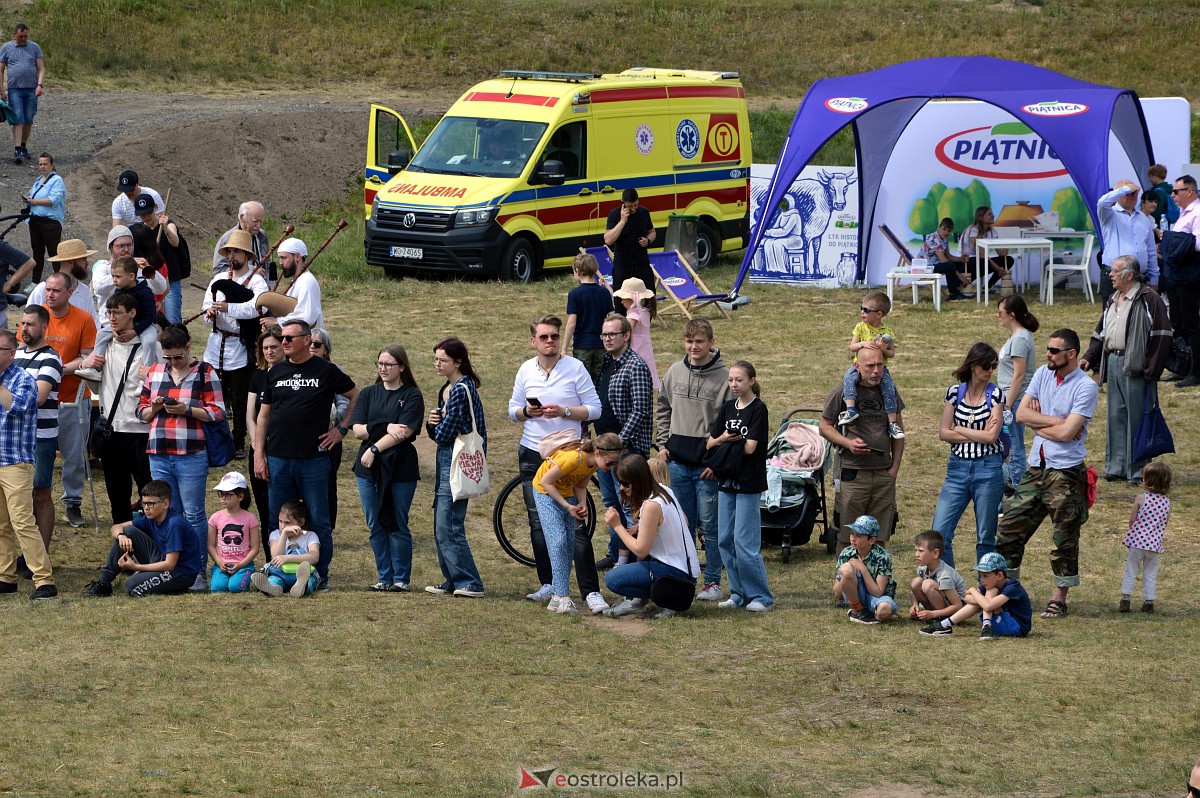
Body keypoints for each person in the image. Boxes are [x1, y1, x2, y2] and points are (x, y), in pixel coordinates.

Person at [995, 328, 1098, 620]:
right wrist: (1055, 422)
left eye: (1054, 350)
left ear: (1071, 354)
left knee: (1064, 536)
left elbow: (1068, 434)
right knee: (1009, 528)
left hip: (1065, 472)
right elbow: (1020, 415)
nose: (1048, 354)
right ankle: (1007, 588)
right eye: (1048, 349)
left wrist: (1041, 425)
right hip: (1036, 467)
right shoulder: (1042, 373)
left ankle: (1059, 597)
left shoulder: (1085, 387)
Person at [253, 320, 357, 590]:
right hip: (278, 457)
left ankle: (318, 575)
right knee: (277, 518)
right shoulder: (274, 372)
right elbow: (263, 416)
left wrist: (341, 430)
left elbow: (357, 396)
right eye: (282, 337)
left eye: (289, 337)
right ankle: (276, 571)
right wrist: (258, 453)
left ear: (306, 340)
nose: (284, 342)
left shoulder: (326, 370)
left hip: (313, 458)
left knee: (318, 518)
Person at [507, 314, 601, 605]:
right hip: (532, 451)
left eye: (555, 337)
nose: (550, 342)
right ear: (533, 341)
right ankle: (549, 583)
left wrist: (565, 412)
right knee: (538, 522)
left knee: (575, 520)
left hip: (568, 455)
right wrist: (526, 412)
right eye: (545, 337)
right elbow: (512, 409)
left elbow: (595, 409)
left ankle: (590, 591)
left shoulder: (575, 368)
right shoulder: (526, 369)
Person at [137, 324, 225, 592]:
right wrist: (152, 409)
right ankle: (170, 567)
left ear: (188, 347)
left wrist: (188, 409)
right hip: (159, 452)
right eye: (168, 357)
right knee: (165, 514)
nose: (173, 362)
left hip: (191, 452)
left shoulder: (205, 372)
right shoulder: (154, 372)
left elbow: (218, 412)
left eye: (178, 357)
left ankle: (197, 571)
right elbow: (139, 410)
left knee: (194, 514)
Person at [655, 318, 730, 601]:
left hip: (707, 467)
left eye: (699, 341)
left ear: (711, 342)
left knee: (710, 526)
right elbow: (663, 408)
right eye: (689, 341)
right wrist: (664, 442)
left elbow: (730, 424)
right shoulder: (674, 372)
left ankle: (712, 581)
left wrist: (717, 462)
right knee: (681, 524)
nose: (694, 346)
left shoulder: (725, 377)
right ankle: (683, 576)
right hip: (677, 462)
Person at [1080, 255, 1171, 484]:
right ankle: (1117, 466)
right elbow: (1102, 332)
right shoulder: (1113, 298)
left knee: (1138, 418)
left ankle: (1138, 469)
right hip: (1114, 362)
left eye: (1115, 270)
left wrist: (1151, 370)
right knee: (1116, 415)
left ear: (1129, 275)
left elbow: (1162, 336)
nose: (1110, 273)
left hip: (1137, 367)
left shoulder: (1149, 299)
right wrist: (1089, 358)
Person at [351, 344, 424, 593]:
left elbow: (403, 432)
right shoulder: (369, 393)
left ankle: (401, 578)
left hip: (400, 468)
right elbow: (357, 429)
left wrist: (373, 449)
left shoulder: (412, 395)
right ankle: (384, 576)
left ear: (401, 367)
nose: (383, 368)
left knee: (397, 522)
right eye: (380, 364)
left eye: (389, 364)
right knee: (375, 523)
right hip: (367, 470)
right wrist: (384, 425)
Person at [819, 342, 905, 547]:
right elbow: (824, 426)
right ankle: (847, 578)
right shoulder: (843, 389)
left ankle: (876, 578)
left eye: (880, 365)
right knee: (848, 536)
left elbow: (899, 433)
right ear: (857, 366)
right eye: (870, 366)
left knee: (879, 536)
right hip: (853, 474)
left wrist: (894, 469)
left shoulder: (888, 389)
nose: (876, 371)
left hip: (883, 473)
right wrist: (848, 443)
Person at [930, 342, 1005, 568]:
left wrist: (959, 429)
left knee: (985, 537)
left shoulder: (996, 394)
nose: (990, 370)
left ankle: (986, 592)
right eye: (986, 366)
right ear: (973, 366)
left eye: (994, 366)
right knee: (940, 533)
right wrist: (978, 433)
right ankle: (949, 588)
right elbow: (943, 433)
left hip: (988, 468)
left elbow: (992, 438)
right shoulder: (955, 393)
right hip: (958, 469)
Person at [533, 433, 625, 615]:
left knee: (567, 544)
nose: (612, 467)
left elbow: (580, 485)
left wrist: (581, 503)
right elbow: (546, 481)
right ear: (598, 453)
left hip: (565, 493)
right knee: (558, 542)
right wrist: (568, 506)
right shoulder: (573, 458)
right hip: (544, 492)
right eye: (610, 463)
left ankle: (557, 598)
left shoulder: (592, 464)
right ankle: (561, 596)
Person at [708, 360, 774, 612]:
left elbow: (750, 447)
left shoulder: (758, 409)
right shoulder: (727, 408)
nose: (734, 384)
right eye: (731, 380)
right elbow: (709, 443)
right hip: (726, 481)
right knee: (725, 540)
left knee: (744, 542)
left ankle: (760, 596)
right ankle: (737, 593)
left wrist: (722, 442)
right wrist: (725, 438)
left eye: (739, 380)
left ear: (751, 381)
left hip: (748, 482)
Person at [603, 455, 700, 619]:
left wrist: (617, 526)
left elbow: (641, 550)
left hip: (675, 573)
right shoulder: (664, 490)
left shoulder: (651, 505)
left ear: (639, 481)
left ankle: (663, 599)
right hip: (685, 569)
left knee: (612, 579)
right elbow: (685, 519)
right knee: (636, 540)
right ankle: (643, 600)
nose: (621, 488)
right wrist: (642, 526)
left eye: (626, 483)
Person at [426, 337, 487, 598]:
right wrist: (434, 423)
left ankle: (469, 581)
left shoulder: (460, 390)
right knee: (442, 523)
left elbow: (443, 435)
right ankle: (452, 578)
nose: (437, 364)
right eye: (436, 359)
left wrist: (433, 426)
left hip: (454, 459)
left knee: (449, 524)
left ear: (458, 362)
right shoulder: (449, 387)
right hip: (449, 460)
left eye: (443, 360)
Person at [90, 292, 158, 527]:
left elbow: (162, 385)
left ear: (132, 313)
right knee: (117, 497)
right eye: (109, 313)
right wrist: (87, 365)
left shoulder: (149, 346)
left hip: (141, 431)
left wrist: (150, 378)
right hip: (112, 431)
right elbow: (94, 384)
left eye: (116, 312)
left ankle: (153, 548)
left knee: (149, 495)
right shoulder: (104, 344)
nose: (112, 318)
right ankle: (123, 546)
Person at [593, 313, 653, 573]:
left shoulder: (635, 366)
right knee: (611, 505)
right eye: (604, 335)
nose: (607, 339)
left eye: (612, 334)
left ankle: (639, 559)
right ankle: (617, 554)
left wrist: (618, 444)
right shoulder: (608, 362)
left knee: (630, 508)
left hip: (626, 452)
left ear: (626, 335)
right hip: (603, 451)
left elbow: (641, 410)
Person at [0, 327, 56, 599]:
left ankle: (44, 581)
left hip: (15, 463)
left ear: (11, 353)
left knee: (23, 521)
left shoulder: (23, 380)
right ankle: (5, 576)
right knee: (0, 524)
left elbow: (17, 407)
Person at [203, 228, 269, 457]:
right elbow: (205, 306)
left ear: (247, 256)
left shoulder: (257, 281)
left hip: (240, 345)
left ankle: (239, 440)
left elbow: (256, 308)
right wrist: (209, 312)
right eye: (230, 251)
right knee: (212, 394)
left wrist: (229, 307)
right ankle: (214, 439)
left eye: (237, 252)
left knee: (240, 398)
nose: (232, 256)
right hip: (216, 343)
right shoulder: (219, 279)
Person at [81, 480, 203, 598]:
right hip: (162, 560)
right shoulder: (149, 518)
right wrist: (121, 536)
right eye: (143, 503)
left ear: (165, 504)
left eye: (151, 503)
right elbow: (116, 527)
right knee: (128, 531)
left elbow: (170, 565)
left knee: (131, 586)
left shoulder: (174, 524)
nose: (146, 508)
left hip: (180, 573)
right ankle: (103, 583)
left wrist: (135, 567)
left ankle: (175, 587)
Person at [40, 270, 95, 528]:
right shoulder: (36, 316)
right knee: (41, 454)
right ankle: (39, 501)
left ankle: (72, 502)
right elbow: (23, 350)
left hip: (73, 398)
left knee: (74, 456)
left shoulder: (83, 319)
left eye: (56, 291)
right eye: (47, 289)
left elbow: (87, 356)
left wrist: (56, 368)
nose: (49, 295)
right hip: (40, 400)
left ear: (70, 293)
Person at [15, 305, 59, 554]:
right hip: (12, 437)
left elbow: (38, 397)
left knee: (40, 493)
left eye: (30, 324)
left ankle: (38, 555)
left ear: (43, 327)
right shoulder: (14, 355)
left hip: (40, 437)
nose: (24, 328)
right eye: (22, 323)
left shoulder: (51, 358)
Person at [75, 256, 159, 381]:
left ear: (131, 276)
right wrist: (114, 329)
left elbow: (150, 317)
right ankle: (96, 369)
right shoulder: (118, 291)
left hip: (144, 324)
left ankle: (146, 377)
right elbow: (112, 312)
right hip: (122, 324)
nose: (114, 280)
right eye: (113, 276)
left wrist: (135, 331)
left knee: (150, 341)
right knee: (102, 334)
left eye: (118, 277)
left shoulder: (145, 292)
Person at [920, 552, 1032, 639]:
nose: (981, 580)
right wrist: (981, 600)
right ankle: (946, 625)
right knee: (986, 597)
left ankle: (984, 626)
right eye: (980, 576)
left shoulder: (1013, 586)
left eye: (985, 576)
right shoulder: (990, 584)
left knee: (990, 594)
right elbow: (967, 598)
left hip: (1016, 627)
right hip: (1001, 620)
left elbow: (988, 606)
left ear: (1000, 575)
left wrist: (973, 590)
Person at [839, 291, 903, 439]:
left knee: (889, 390)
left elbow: (892, 353)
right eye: (861, 308)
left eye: (866, 310)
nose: (862, 312)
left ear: (879, 314)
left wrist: (884, 349)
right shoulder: (860, 327)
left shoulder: (887, 332)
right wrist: (863, 343)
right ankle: (850, 409)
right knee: (848, 379)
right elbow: (852, 346)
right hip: (859, 366)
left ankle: (892, 423)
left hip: (879, 369)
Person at [997, 294, 1039, 492]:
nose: (998, 316)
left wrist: (1006, 404)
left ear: (1011, 315)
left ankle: (1018, 485)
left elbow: (1019, 375)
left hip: (1015, 398)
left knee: (1014, 444)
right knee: (1011, 442)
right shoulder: (1016, 337)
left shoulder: (1021, 338)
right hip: (1010, 397)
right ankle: (1014, 482)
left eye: (1001, 312)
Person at [1119, 461, 1171, 614]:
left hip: (1137, 543)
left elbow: (1132, 520)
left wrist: (1133, 533)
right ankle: (1149, 601)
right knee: (1150, 573)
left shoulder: (1141, 498)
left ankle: (1126, 599)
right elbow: (1164, 522)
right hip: (1154, 545)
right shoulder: (1167, 502)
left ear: (1147, 481)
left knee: (1131, 570)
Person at [246, 326, 282, 535]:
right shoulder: (258, 377)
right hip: (259, 448)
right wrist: (256, 442)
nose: (269, 351)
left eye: (274, 347)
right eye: (265, 347)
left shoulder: (292, 376)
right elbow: (251, 415)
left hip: (283, 447)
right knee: (263, 505)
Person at [1096, 181, 1158, 302]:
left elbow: (1150, 250)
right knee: (1112, 315)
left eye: (1135, 193)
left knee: (1138, 316)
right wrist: (1124, 189)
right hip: (1115, 274)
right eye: (1128, 193)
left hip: (1139, 275)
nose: (1132, 195)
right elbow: (1102, 202)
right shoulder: (1110, 214)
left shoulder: (1143, 218)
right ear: (1118, 195)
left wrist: (1154, 277)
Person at [130, 192, 187, 323]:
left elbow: (175, 242)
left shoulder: (167, 224)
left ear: (155, 208)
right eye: (142, 214)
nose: (146, 217)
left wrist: (165, 227)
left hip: (170, 278)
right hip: (150, 280)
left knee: (173, 319)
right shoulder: (139, 231)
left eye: (148, 212)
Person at [1166, 175, 1200, 387]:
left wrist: (1175, 241)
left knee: (1191, 324)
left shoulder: (1197, 213)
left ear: (1189, 191)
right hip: (1176, 275)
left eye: (1176, 191)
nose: (1173, 195)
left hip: (1189, 276)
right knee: (1177, 322)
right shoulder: (1182, 213)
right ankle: (1181, 365)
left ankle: (1196, 370)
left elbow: (1198, 244)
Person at [89, 226, 166, 318]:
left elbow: (161, 289)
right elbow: (98, 288)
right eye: (121, 246)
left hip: (137, 323)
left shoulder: (137, 266)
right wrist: (122, 271)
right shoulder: (103, 267)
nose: (126, 249)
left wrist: (151, 272)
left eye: (129, 245)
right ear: (110, 247)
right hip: (109, 323)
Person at [832, 515, 896, 624]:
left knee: (884, 610)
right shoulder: (846, 553)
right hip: (854, 596)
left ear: (871, 540)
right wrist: (844, 575)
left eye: (859, 535)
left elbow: (878, 593)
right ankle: (858, 610)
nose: (853, 538)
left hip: (876, 598)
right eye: (852, 533)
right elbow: (837, 593)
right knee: (846, 568)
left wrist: (863, 569)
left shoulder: (882, 557)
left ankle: (869, 612)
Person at [250, 499, 319, 598]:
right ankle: (274, 589)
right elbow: (275, 555)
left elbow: (314, 557)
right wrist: (284, 534)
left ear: (301, 522)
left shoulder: (310, 536)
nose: (282, 526)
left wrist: (288, 558)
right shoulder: (275, 534)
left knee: (309, 582)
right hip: (280, 574)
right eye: (280, 521)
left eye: (287, 522)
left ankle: (300, 588)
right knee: (273, 580)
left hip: (301, 576)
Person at [604, 188, 656, 315]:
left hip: (641, 261)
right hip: (623, 263)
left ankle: (644, 322)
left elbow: (652, 232)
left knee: (649, 295)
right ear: (623, 203)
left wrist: (648, 240)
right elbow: (608, 240)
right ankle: (623, 324)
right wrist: (622, 221)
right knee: (621, 299)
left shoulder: (643, 212)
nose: (633, 209)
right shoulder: (614, 215)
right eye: (629, 206)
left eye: (635, 205)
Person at [562, 251, 611, 384]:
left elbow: (572, 323)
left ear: (577, 270)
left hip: (582, 345)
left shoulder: (575, 294)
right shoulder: (604, 292)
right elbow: (610, 317)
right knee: (600, 382)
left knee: (582, 383)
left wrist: (564, 347)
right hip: (602, 344)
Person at [207, 471, 259, 593]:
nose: (223, 498)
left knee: (235, 588)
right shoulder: (215, 518)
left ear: (240, 496)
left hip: (243, 566)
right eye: (221, 494)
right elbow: (210, 545)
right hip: (222, 566)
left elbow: (255, 548)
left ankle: (247, 576)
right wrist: (220, 563)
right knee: (217, 588)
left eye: (228, 494)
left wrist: (241, 565)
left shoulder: (250, 518)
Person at [0, 23, 44, 163]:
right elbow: (0, 70)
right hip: (15, 89)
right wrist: (1, 90)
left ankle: (23, 146)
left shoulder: (34, 47)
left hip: (32, 88)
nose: (23, 39)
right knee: (18, 117)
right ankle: (17, 149)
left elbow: (41, 68)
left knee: (29, 118)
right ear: (14, 35)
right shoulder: (6, 48)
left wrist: (40, 85)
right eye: (20, 36)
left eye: (25, 36)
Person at [29, 238, 99, 324]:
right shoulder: (43, 289)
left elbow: (94, 323)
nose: (87, 263)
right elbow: (29, 321)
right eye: (83, 259)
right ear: (70, 261)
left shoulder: (84, 290)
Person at [259, 237, 323, 331]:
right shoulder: (297, 281)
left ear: (297, 257)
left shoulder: (307, 282)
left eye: (284, 258)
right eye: (280, 258)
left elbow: (306, 317)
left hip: (308, 341)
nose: (281, 263)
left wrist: (277, 322)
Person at [22, 152, 65, 284]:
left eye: (45, 164)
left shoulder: (57, 180)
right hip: (35, 221)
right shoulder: (38, 180)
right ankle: (35, 282)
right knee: (37, 252)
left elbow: (54, 200)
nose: (42, 167)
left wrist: (35, 202)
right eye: (40, 164)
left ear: (52, 165)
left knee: (54, 253)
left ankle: (60, 282)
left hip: (50, 222)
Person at [908, 530, 965, 624]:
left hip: (956, 612)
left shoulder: (944, 575)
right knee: (916, 582)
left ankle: (941, 618)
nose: (916, 555)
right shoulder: (922, 568)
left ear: (935, 553)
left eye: (921, 551)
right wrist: (915, 605)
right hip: (939, 606)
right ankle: (929, 616)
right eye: (916, 550)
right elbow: (915, 591)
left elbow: (957, 606)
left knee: (927, 584)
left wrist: (933, 614)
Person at [613, 277, 659, 389]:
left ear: (633, 299)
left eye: (624, 298)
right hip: (644, 347)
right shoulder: (644, 312)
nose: (622, 301)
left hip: (636, 349)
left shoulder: (634, 315)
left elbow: (626, 331)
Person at [959, 206, 1012, 288]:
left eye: (992, 213)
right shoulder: (973, 230)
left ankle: (988, 286)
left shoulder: (992, 231)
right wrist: (997, 268)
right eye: (989, 214)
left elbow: (999, 252)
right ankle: (962, 283)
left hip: (982, 259)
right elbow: (980, 253)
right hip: (966, 260)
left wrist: (1003, 251)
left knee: (1009, 260)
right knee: (983, 262)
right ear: (981, 218)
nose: (993, 216)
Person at [920, 217, 970, 299]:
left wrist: (960, 259)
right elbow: (944, 260)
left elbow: (948, 256)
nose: (946, 232)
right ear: (939, 227)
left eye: (949, 230)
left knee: (957, 264)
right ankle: (953, 294)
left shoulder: (944, 239)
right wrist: (960, 276)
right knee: (949, 266)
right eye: (944, 229)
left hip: (936, 264)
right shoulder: (933, 238)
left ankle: (959, 289)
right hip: (927, 267)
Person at [213, 201, 269, 274]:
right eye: (255, 221)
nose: (258, 226)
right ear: (242, 217)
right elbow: (218, 271)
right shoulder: (228, 238)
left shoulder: (262, 235)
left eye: (261, 221)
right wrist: (249, 270)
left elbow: (267, 264)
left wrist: (269, 284)